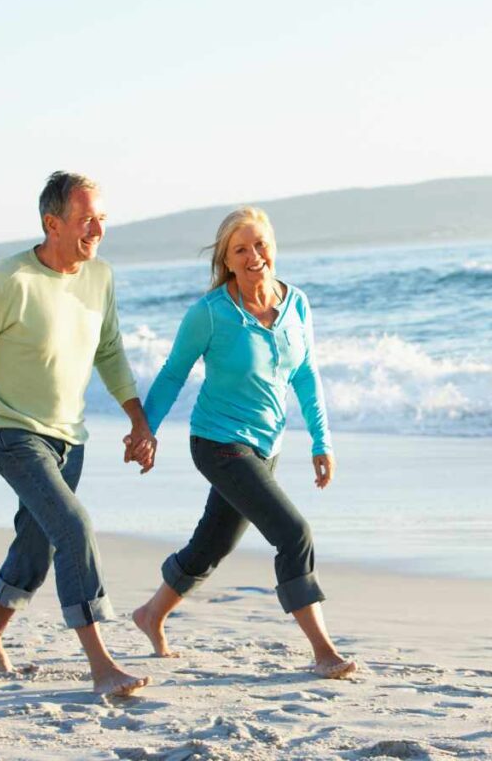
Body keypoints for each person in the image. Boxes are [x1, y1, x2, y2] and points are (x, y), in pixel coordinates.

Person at [0, 171, 154, 696]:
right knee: (72, 526)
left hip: (69, 436)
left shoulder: (100, 277)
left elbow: (110, 351)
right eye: (86, 218)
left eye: (102, 219)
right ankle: (102, 665)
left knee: (38, 539)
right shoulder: (10, 283)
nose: (97, 228)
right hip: (10, 431)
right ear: (52, 223)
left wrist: (138, 420)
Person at [130, 206, 357, 679]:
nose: (254, 256)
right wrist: (145, 429)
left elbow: (307, 374)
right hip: (217, 442)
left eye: (260, 245)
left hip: (266, 447)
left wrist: (322, 441)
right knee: (294, 535)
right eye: (241, 249)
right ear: (226, 261)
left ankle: (151, 614)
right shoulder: (210, 314)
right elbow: (173, 374)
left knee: (212, 545)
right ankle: (323, 650)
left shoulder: (296, 304)